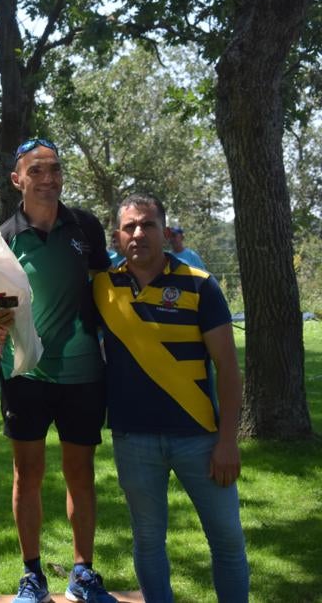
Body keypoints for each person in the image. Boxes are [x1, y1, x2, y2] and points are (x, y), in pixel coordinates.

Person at [0, 138, 117, 603]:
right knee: (26, 475)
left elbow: (106, 288)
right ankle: (32, 575)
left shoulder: (87, 228)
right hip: (25, 374)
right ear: (17, 179)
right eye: (36, 171)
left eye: (54, 169)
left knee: (81, 473)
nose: (48, 178)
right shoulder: (2, 236)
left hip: (82, 373)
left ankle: (83, 572)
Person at [94, 194, 248, 603]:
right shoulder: (102, 287)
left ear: (165, 231)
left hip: (201, 439)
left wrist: (228, 440)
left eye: (147, 225)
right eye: (130, 227)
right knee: (148, 541)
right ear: (117, 235)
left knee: (227, 541)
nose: (138, 233)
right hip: (133, 439)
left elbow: (229, 370)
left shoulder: (200, 285)